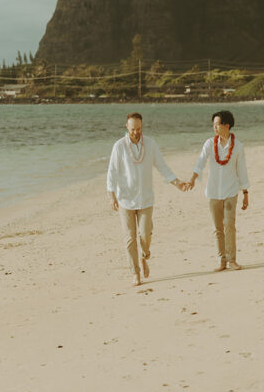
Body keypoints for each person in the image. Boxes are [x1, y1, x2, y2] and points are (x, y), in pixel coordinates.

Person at [107, 112, 186, 286]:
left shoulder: (150, 144)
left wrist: (176, 182)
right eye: (133, 129)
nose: (136, 132)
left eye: (139, 129)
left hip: (146, 199)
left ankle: (144, 256)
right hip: (125, 199)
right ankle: (135, 272)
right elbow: (112, 171)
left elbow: (162, 166)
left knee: (145, 235)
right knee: (130, 238)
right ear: (126, 127)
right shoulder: (119, 146)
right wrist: (111, 195)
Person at [187, 110, 249, 271]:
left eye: (217, 124)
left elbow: (242, 170)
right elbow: (200, 162)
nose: (214, 128)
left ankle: (232, 259)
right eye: (213, 125)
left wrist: (245, 193)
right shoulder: (209, 143)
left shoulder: (238, 147)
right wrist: (193, 178)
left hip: (230, 191)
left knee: (229, 225)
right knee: (218, 228)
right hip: (213, 191)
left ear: (226, 126)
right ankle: (221, 260)